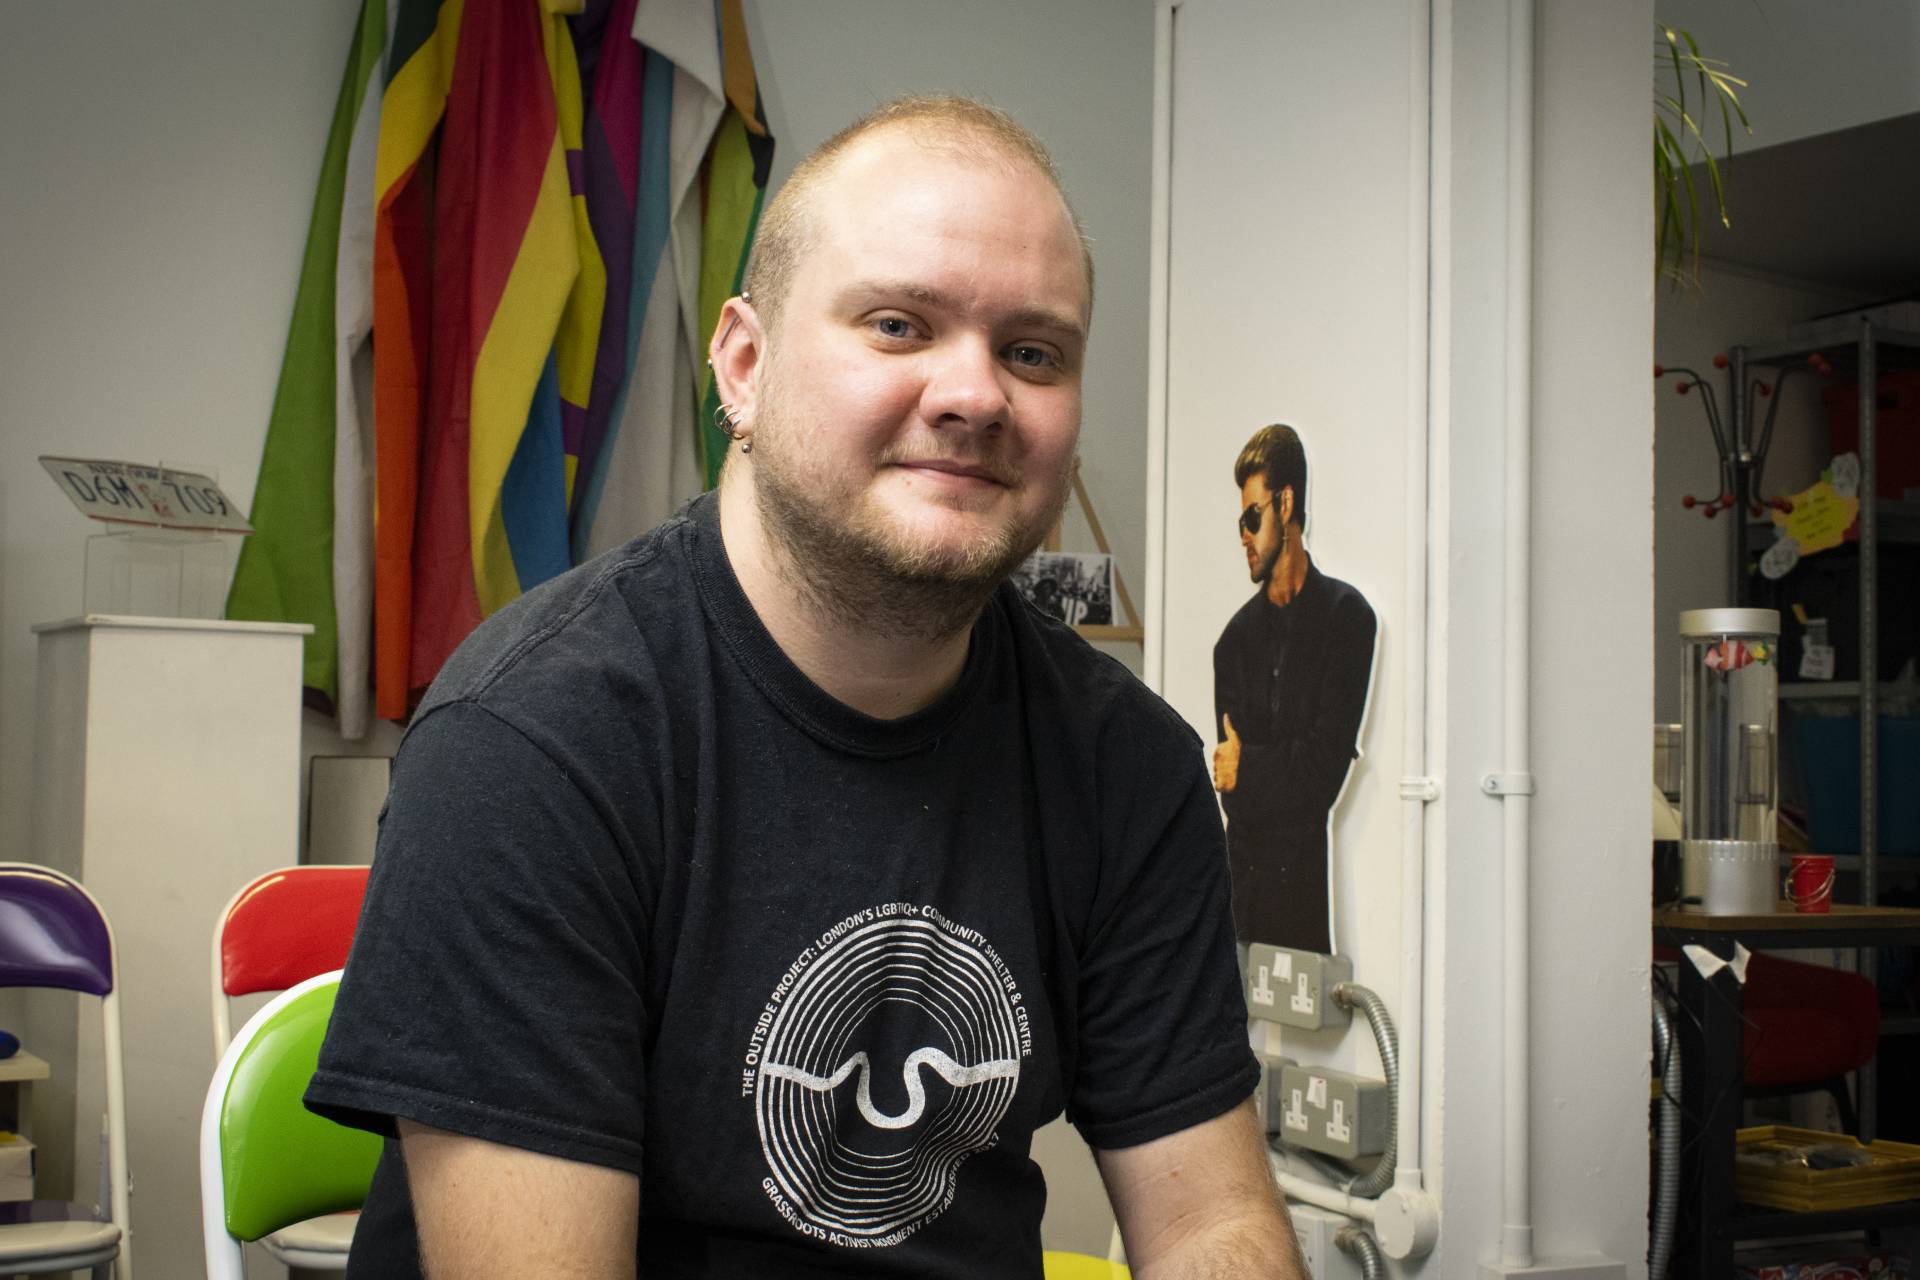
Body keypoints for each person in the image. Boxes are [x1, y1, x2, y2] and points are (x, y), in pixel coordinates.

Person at [307, 96, 1305, 1278]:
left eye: (1033, 351)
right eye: (897, 324)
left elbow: (1210, 1223)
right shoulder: (532, 741)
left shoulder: (1128, 766)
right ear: (743, 361)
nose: (976, 394)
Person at [1212, 424, 1376, 954]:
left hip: (1306, 913)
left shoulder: (1347, 620)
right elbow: (1235, 801)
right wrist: (1270, 772)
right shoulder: (1233, 642)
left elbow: (1321, 778)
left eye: (1251, 517)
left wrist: (1250, 767)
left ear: (1285, 505)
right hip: (1243, 911)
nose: (1242, 535)